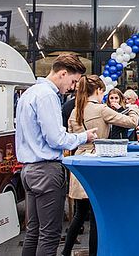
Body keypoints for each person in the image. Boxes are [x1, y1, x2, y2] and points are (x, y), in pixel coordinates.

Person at [15, 54, 98, 256]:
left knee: (34, 232)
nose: (73, 87)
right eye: (73, 81)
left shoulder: (29, 93)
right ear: (62, 73)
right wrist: (83, 136)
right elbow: (56, 139)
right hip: (46, 171)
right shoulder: (47, 95)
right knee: (50, 235)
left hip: (29, 170)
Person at [63, 76, 138, 256]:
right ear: (97, 91)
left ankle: (65, 252)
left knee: (79, 215)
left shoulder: (75, 111)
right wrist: (134, 108)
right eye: (103, 92)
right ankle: (95, 253)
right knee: (96, 217)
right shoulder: (101, 109)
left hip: (79, 162)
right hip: (96, 162)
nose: (103, 95)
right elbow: (131, 123)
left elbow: (70, 138)